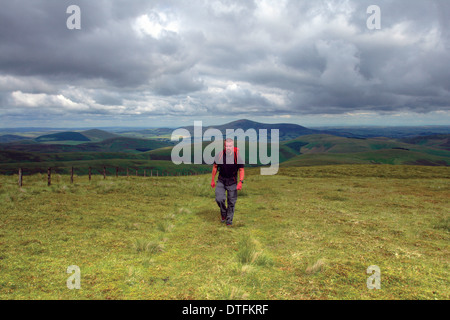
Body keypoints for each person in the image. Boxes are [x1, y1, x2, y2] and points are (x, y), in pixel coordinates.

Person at [211, 138, 245, 226]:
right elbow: (215, 167)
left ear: (233, 146)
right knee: (219, 199)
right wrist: (212, 180)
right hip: (221, 180)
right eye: (226, 146)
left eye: (230, 146)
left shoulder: (237, 156)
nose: (228, 147)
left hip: (232, 181)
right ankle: (223, 213)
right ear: (224, 146)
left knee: (231, 202)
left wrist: (240, 182)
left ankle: (229, 220)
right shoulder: (219, 155)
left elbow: (241, 169)